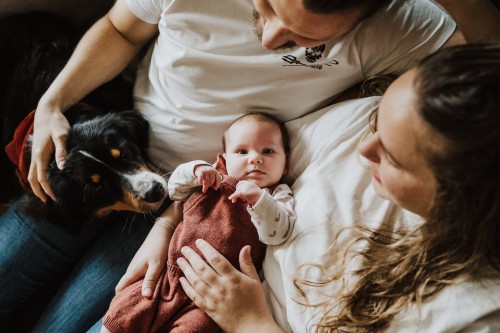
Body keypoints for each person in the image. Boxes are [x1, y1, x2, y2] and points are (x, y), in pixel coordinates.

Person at [0, 0, 461, 331]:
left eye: (305, 42)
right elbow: (121, 29)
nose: (269, 37)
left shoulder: (400, 22)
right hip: (91, 163)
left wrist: (170, 222)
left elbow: (484, 65)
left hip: (185, 210)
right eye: (267, 6)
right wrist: (53, 101)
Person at [174, 43, 500, 332]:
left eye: (393, 158)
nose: (364, 150)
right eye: (378, 124)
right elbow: (241, 153)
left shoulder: (476, 314)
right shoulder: (364, 121)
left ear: (459, 199)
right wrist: (167, 223)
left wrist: (249, 323)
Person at [100, 112, 295, 333]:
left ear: (286, 164)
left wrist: (260, 201)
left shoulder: (279, 195)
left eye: (267, 151)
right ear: (225, 158)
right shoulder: (216, 176)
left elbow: (277, 233)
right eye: (242, 151)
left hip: (212, 297)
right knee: (126, 309)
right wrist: (195, 170)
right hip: (169, 271)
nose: (255, 159)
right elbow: (175, 191)